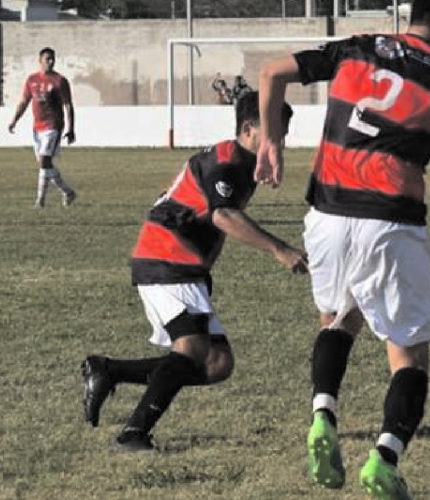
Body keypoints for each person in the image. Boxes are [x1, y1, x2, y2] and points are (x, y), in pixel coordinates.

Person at [256, 0, 430, 497]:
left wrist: (270, 142)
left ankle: (322, 415)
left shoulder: (357, 48)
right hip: (390, 221)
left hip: (327, 215)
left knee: (340, 316)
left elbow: (271, 73)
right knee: (409, 354)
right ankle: (385, 458)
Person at [79, 92, 308, 452]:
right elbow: (223, 215)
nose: (282, 141)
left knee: (217, 363)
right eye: (276, 132)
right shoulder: (227, 164)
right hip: (167, 257)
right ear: (250, 129)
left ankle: (110, 371)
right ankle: (133, 434)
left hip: (181, 263)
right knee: (192, 350)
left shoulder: (241, 161)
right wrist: (280, 249)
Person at [7, 47, 78, 208]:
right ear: (40, 61)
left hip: (53, 126)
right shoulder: (32, 79)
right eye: (48, 59)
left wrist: (71, 128)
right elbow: (24, 102)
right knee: (44, 164)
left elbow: (68, 105)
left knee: (44, 162)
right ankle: (67, 192)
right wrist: (14, 120)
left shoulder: (60, 80)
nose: (51, 62)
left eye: (53, 59)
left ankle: (40, 201)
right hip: (37, 128)